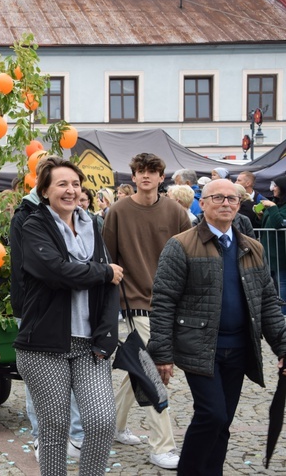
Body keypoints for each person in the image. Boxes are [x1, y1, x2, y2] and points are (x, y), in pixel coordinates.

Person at [148, 178, 286, 475]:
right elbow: (163, 301)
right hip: (200, 348)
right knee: (212, 414)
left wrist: (282, 346)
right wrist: (161, 353)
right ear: (204, 202)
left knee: (223, 422)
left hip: (239, 348)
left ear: (239, 205)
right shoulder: (181, 245)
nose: (226, 203)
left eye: (232, 199)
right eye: (218, 198)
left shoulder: (252, 248)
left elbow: (268, 302)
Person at [15, 156, 121, 475]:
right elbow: (56, 272)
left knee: (102, 422)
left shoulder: (93, 225)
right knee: (55, 428)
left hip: (90, 344)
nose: (71, 190)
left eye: (75, 184)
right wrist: (102, 271)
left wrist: (107, 334)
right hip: (44, 345)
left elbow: (113, 285)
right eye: (62, 184)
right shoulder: (34, 225)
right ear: (45, 191)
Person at [102, 153, 191, 470]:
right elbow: (107, 259)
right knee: (152, 370)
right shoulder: (117, 211)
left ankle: (112, 423)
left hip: (170, 304)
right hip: (135, 302)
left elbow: (188, 256)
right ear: (133, 176)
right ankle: (162, 445)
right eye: (140, 171)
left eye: (151, 172)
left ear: (161, 176)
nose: (145, 177)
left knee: (135, 369)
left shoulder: (176, 212)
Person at [259, 176, 286, 313]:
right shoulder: (276, 203)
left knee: (282, 285)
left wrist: (273, 207)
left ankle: (283, 316)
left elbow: (279, 223)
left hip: (281, 255)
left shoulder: (277, 206)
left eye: (275, 186)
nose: (272, 188)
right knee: (271, 286)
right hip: (269, 253)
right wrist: (261, 215)